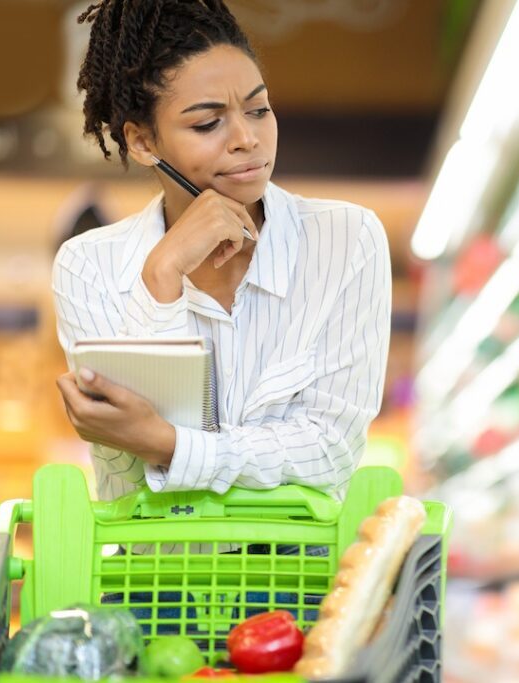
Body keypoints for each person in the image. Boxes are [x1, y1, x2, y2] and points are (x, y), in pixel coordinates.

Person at [52, 0, 392, 505]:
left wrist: (169, 445)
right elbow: (127, 471)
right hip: (152, 577)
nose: (248, 139)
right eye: (208, 124)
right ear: (143, 142)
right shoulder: (88, 267)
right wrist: (162, 275)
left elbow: (329, 451)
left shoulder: (347, 238)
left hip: (300, 578)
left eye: (258, 110)